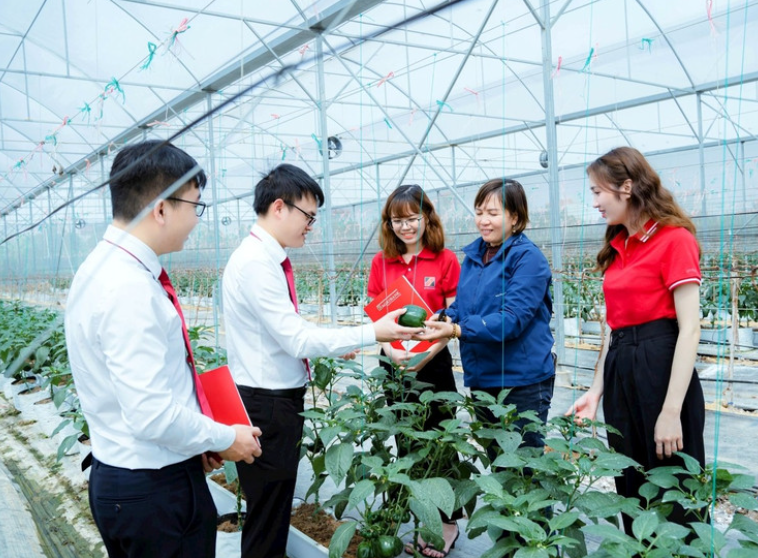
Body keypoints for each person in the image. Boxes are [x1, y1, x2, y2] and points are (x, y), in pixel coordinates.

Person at [64, 140, 263, 558]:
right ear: (160, 210)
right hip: (154, 494)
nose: (196, 219)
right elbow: (151, 414)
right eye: (195, 205)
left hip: (129, 478)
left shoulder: (99, 268)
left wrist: (195, 441)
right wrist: (226, 437)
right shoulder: (129, 289)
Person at [222, 164, 423, 558]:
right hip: (267, 406)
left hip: (269, 401)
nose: (310, 226)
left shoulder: (262, 258)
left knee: (271, 511)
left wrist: (332, 343)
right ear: (279, 207)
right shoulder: (256, 263)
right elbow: (296, 338)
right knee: (267, 517)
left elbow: (285, 331)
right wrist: (372, 332)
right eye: (308, 216)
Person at [565, 146, 706, 534]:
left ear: (626, 188)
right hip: (621, 369)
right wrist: (596, 390)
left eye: (598, 192)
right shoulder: (618, 246)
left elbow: (690, 329)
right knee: (630, 481)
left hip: (660, 367)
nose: (595, 202)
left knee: (674, 486)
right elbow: (614, 328)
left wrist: (671, 411)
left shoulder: (674, 239)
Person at [417, 178, 555, 453]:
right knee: (496, 458)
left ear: (515, 217)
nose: (483, 220)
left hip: (520, 381)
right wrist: (444, 317)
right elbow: (464, 305)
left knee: (522, 464)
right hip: (482, 378)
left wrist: (456, 330)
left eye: (493, 213)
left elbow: (512, 319)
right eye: (479, 212)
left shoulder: (528, 259)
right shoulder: (474, 256)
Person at [367, 184, 462, 558]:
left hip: (433, 361)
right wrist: (393, 352)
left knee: (440, 441)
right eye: (397, 220)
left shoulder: (445, 260)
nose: (405, 226)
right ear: (388, 224)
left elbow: (453, 318)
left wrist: (425, 355)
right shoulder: (381, 262)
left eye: (412, 218)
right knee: (405, 440)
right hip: (393, 362)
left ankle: (448, 523)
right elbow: (376, 316)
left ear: (427, 218)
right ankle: (423, 520)